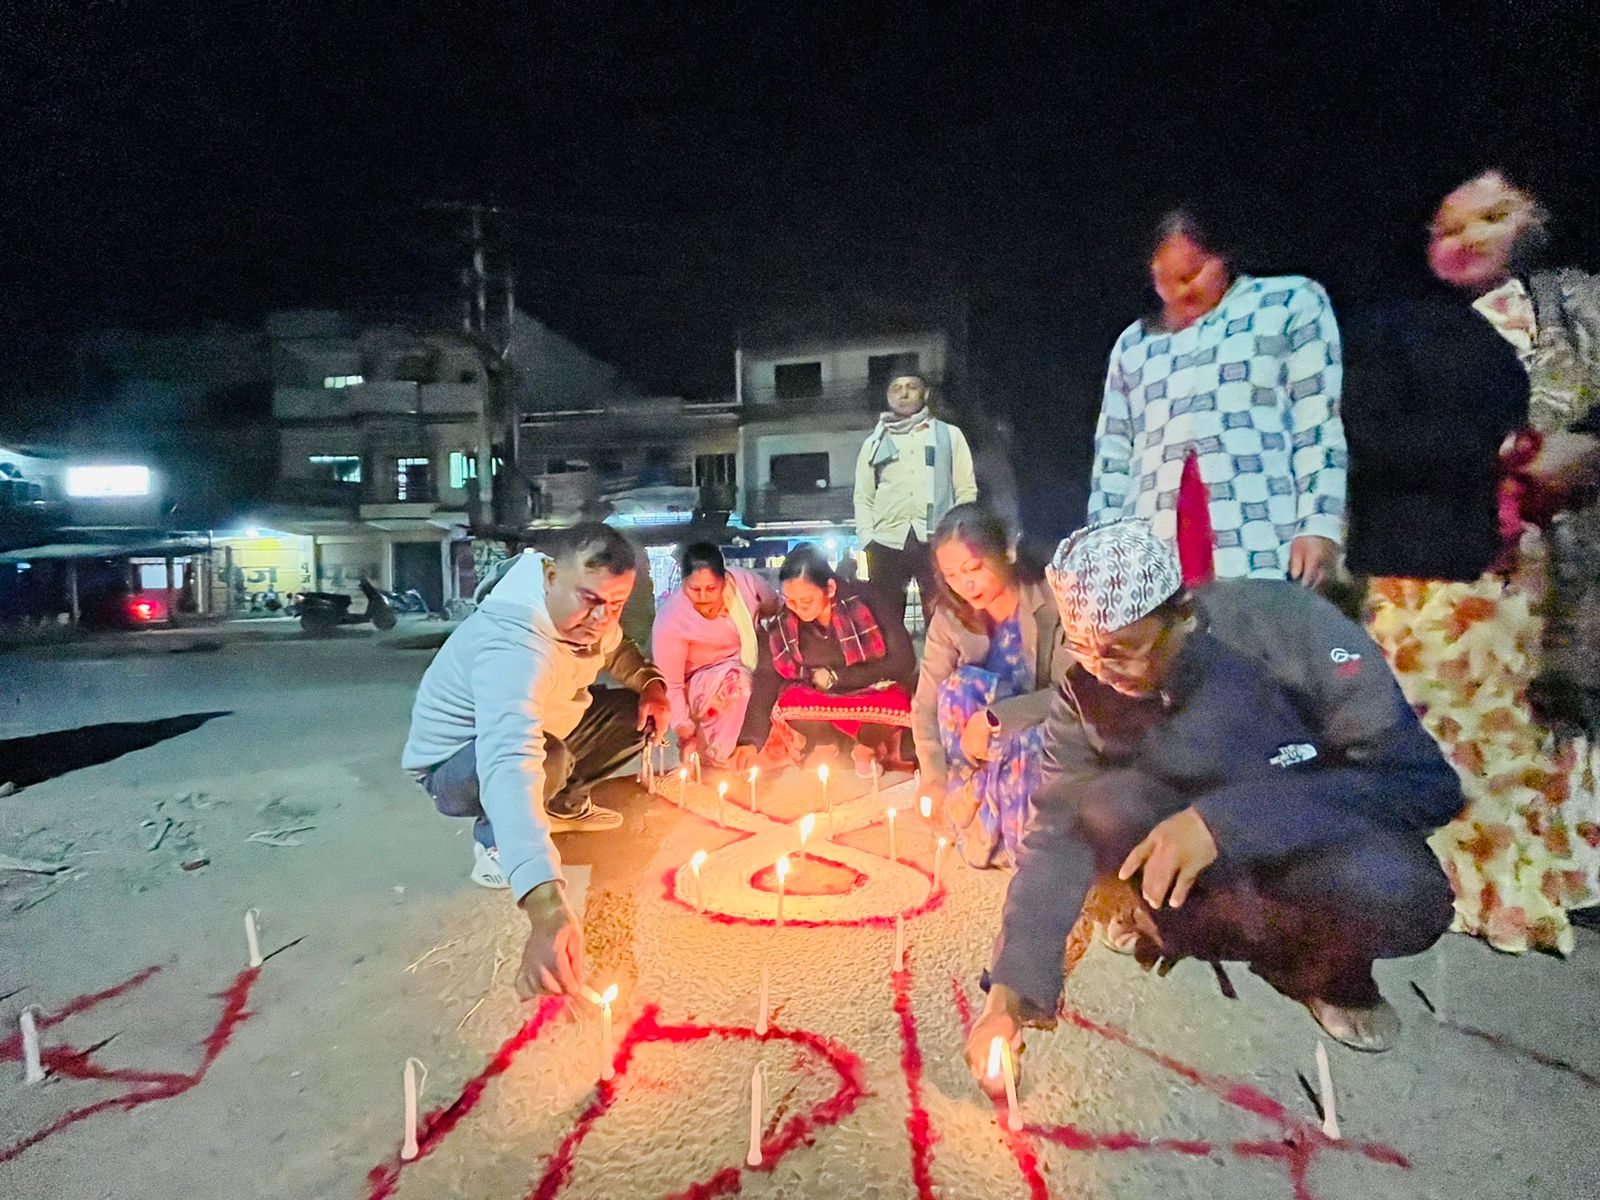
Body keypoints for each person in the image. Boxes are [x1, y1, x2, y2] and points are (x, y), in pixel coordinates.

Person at [964, 519, 1460, 1088]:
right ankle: (1172, 925)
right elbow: (1053, 835)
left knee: (1399, 891)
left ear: (1181, 614)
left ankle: (1324, 971)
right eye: (1085, 650)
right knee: (1102, 806)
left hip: (1306, 842)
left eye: (1122, 650)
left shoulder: (1291, 628)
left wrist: (1224, 822)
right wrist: (1008, 993)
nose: (1103, 671)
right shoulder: (1087, 688)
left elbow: (1421, 784)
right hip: (1190, 868)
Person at [1352, 169, 1600, 952]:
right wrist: (1498, 455)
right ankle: (1417, 881)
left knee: (1516, 731)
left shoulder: (1575, 309)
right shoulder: (1399, 326)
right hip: (1430, 563)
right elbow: (1370, 433)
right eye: (1448, 225)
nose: (1466, 239)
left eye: (1490, 217)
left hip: (1544, 565)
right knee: (1428, 719)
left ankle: (1513, 887)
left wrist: (1583, 452)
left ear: (1533, 218)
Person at [401, 522, 671, 998]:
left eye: (615, 605)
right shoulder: (513, 646)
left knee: (634, 716)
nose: (601, 618)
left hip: (546, 733)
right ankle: (495, 843)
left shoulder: (587, 614)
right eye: (590, 600)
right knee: (543, 757)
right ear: (549, 577)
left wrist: (651, 685)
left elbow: (616, 649)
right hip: (458, 768)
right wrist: (546, 906)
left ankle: (561, 802)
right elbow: (509, 759)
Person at [1087, 209, 1347, 586]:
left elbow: (1317, 422)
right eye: (1165, 281)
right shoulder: (1135, 344)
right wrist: (1105, 556)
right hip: (1158, 555)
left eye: (1192, 273)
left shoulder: (1288, 303)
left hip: (1260, 539)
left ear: (1222, 256)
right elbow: (1113, 458)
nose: (1181, 291)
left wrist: (1318, 524)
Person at [911, 503, 1071, 869]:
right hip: (976, 753)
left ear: (1007, 552)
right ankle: (977, 819)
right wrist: (933, 776)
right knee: (959, 688)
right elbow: (926, 704)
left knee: (1025, 741)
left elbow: (1074, 692)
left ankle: (1016, 839)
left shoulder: (1052, 601)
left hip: (1040, 729)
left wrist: (996, 717)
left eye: (974, 568)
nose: (965, 585)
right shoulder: (950, 618)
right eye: (952, 575)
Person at [737, 543, 917, 774]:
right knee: (790, 701)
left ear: (830, 588)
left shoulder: (866, 601)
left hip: (872, 690)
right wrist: (750, 740)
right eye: (790, 601)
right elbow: (766, 677)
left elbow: (904, 660)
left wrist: (838, 677)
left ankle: (867, 745)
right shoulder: (783, 624)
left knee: (896, 699)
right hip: (820, 698)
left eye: (806, 601)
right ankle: (826, 743)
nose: (798, 609)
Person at [853, 372, 978, 627]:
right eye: (896, 388)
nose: (904, 393)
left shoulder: (949, 435)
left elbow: (965, 489)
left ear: (926, 393)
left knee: (945, 614)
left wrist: (958, 534)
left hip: (937, 540)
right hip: (886, 542)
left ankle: (946, 654)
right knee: (885, 622)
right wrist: (868, 539)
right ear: (888, 396)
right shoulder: (874, 442)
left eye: (911, 386)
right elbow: (863, 495)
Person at [650, 541, 777, 768]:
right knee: (737, 683)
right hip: (702, 687)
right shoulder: (671, 618)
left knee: (772, 682)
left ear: (724, 580)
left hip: (750, 665)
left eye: (711, 589)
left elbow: (774, 608)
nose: (703, 597)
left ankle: (753, 752)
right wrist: (685, 732)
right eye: (694, 589)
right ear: (683, 584)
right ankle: (722, 758)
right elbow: (671, 684)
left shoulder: (746, 585)